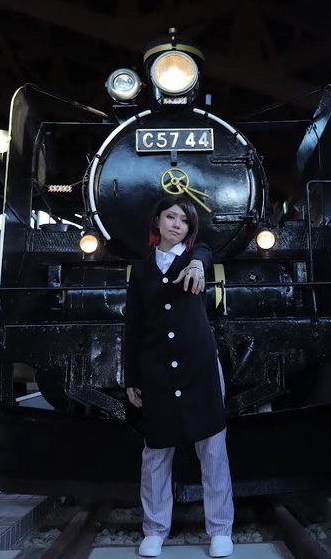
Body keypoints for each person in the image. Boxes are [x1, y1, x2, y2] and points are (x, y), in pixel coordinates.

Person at [125, 195, 234, 558]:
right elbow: (133, 326)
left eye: (184, 220)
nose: (176, 224)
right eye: (170, 217)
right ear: (157, 222)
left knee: (213, 450)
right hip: (156, 368)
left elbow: (207, 248)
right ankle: (155, 530)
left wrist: (199, 263)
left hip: (200, 365)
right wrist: (131, 377)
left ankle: (220, 529)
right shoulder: (140, 270)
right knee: (156, 451)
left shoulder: (195, 259)